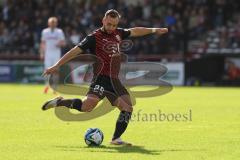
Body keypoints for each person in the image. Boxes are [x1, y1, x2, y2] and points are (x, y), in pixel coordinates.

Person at [42, 9, 168, 145]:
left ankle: (115, 139)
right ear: (103, 20)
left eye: (114, 25)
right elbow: (74, 51)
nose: (111, 28)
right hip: (100, 77)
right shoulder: (94, 37)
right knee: (87, 107)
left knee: (128, 108)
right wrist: (56, 65)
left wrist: (154, 30)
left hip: (114, 80)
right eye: (109, 24)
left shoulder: (118, 33)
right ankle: (59, 102)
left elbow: (135, 31)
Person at [40, 17, 66, 94]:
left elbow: (63, 43)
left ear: (56, 23)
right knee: (47, 71)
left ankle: (55, 88)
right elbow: (42, 43)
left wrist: (59, 44)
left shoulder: (59, 32)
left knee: (55, 71)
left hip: (56, 54)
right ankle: (46, 86)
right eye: (51, 22)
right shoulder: (45, 32)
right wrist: (42, 53)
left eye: (54, 22)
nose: (52, 24)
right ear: (48, 23)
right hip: (48, 54)